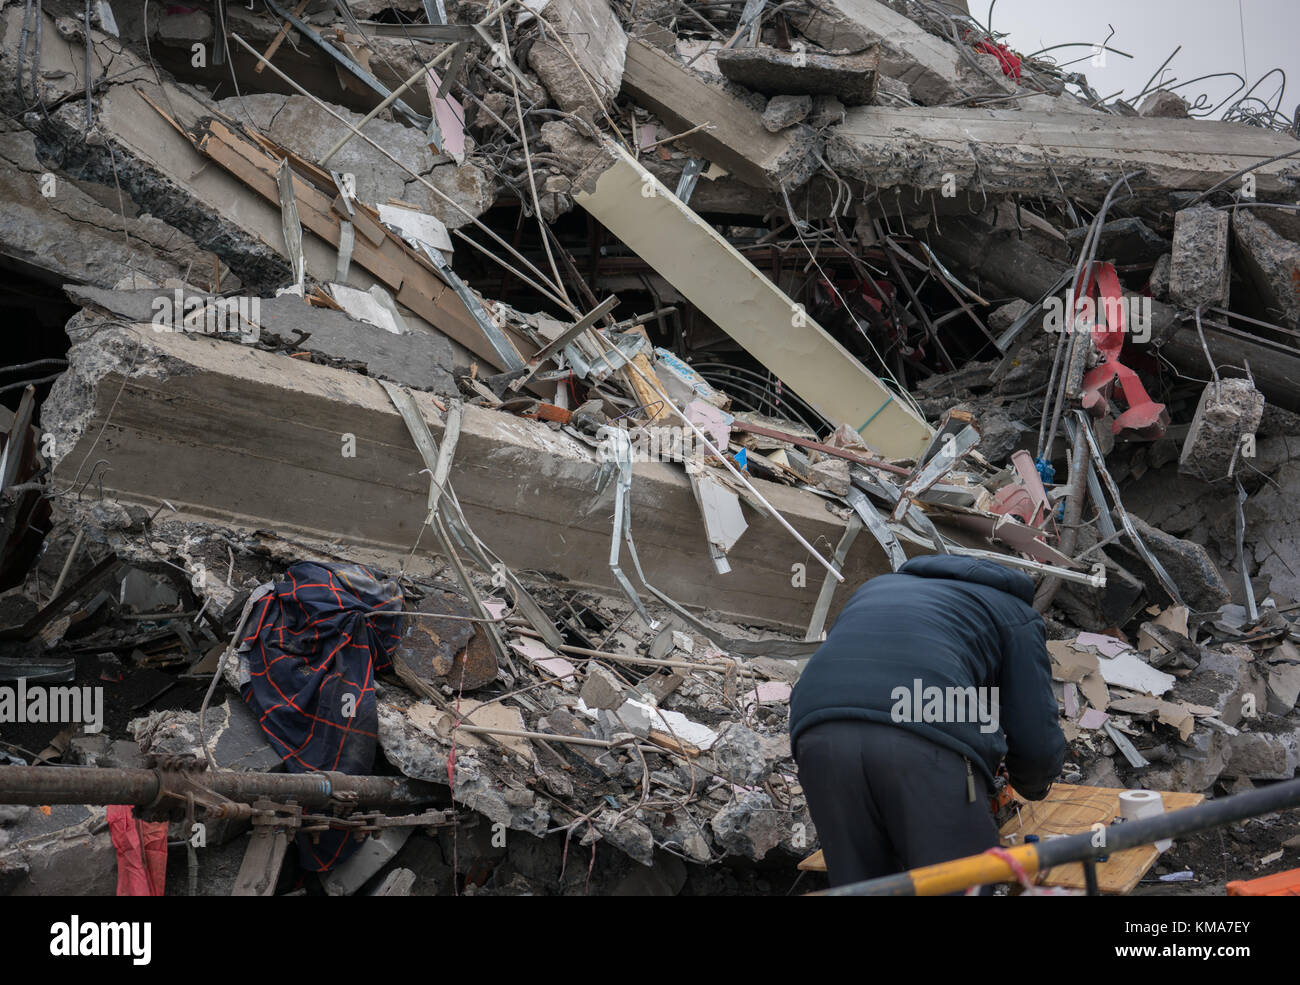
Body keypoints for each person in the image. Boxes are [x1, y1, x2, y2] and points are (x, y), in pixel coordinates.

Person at [789, 555, 1065, 889]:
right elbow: (1035, 735)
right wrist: (1031, 785)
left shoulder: (876, 588)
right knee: (963, 884)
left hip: (817, 726)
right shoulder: (1015, 613)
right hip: (920, 732)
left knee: (864, 886)